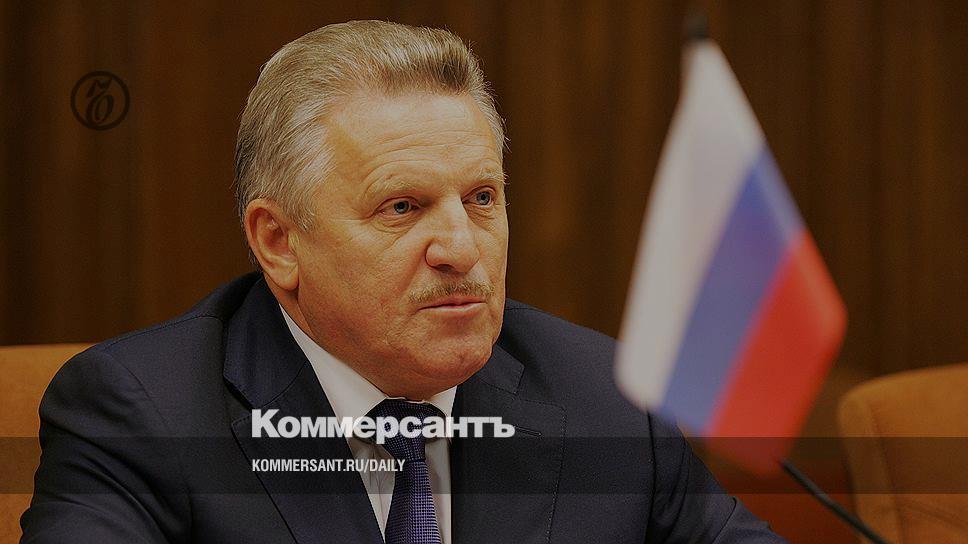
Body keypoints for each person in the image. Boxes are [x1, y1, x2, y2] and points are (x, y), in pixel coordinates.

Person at [21, 20, 785, 543]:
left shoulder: (608, 399)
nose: (461, 247)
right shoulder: (143, 415)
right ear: (279, 242)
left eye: (481, 198)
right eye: (402, 207)